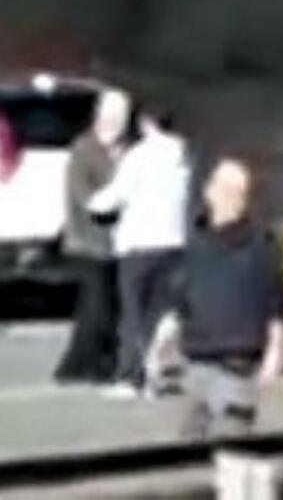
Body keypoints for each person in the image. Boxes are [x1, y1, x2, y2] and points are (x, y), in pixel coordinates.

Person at [178, 157, 283, 440]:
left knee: (233, 437)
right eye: (224, 189)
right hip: (198, 355)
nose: (230, 198)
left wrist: (275, 351)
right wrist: (160, 341)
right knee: (190, 440)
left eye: (238, 192)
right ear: (208, 191)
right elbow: (180, 295)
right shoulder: (195, 241)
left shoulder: (262, 243)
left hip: (240, 358)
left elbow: (277, 300)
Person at [89, 105, 191, 398]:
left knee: (133, 313)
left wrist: (92, 203)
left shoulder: (139, 155)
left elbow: (116, 195)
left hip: (139, 242)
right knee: (159, 313)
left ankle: (131, 377)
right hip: (175, 241)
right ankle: (154, 371)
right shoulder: (186, 154)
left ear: (146, 123)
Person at [53, 88, 131, 385]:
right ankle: (85, 366)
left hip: (116, 243)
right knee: (97, 307)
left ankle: (88, 364)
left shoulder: (126, 150)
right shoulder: (83, 150)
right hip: (86, 241)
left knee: (103, 308)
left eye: (119, 119)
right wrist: (112, 204)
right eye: (110, 118)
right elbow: (83, 196)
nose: (114, 125)